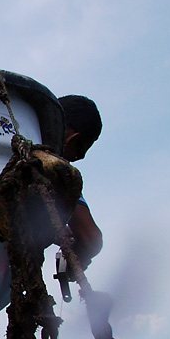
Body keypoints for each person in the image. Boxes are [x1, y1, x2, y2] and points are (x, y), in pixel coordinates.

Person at [58, 95, 103, 269]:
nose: (75, 159)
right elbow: (91, 239)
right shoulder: (58, 169)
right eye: (80, 152)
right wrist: (77, 257)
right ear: (73, 139)